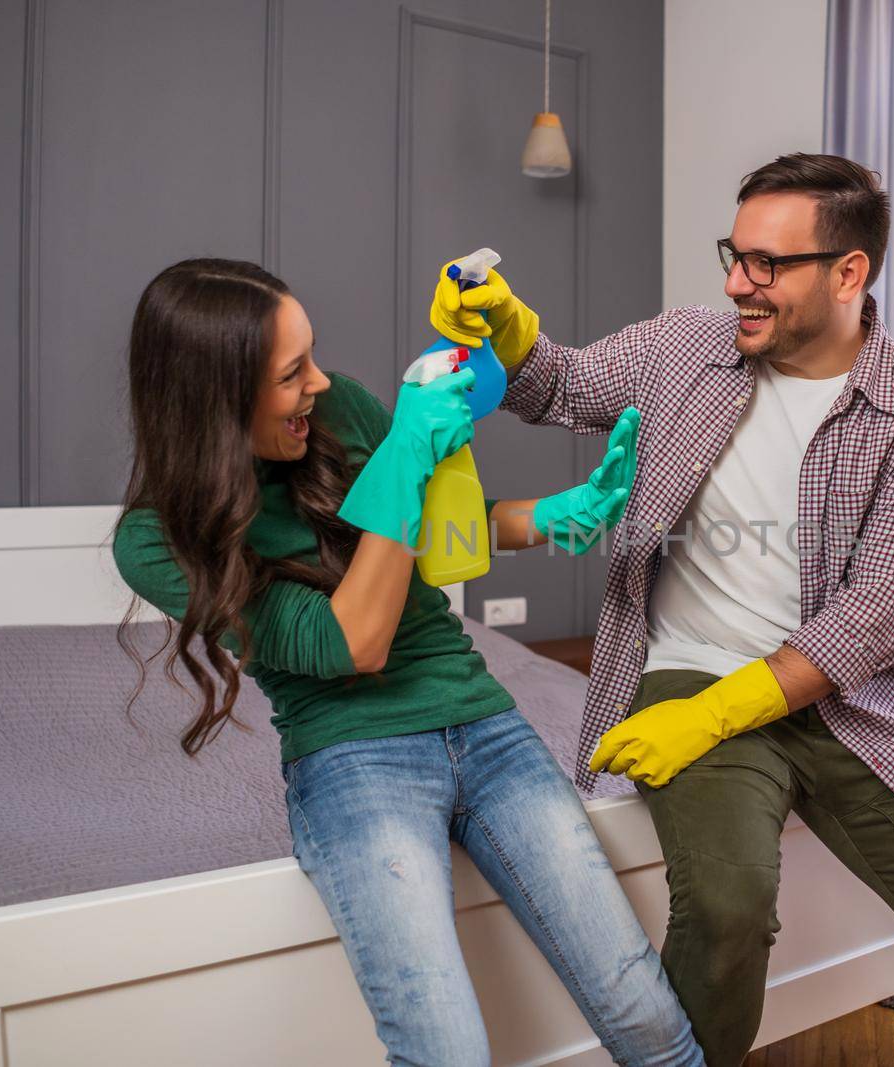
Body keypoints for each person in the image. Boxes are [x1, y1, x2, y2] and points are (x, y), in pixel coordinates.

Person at [429, 154, 894, 1066]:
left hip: (844, 694)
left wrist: (720, 714)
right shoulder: (689, 346)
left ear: (850, 272)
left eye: (767, 264)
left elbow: (871, 621)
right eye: (734, 253)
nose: (737, 282)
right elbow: (563, 386)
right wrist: (509, 329)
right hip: (687, 664)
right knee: (728, 913)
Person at [112, 258, 701, 1067]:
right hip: (353, 757)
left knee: (645, 1014)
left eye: (311, 355)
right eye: (292, 374)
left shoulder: (340, 409)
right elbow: (353, 640)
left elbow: (434, 537)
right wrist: (405, 455)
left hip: (484, 722)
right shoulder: (154, 542)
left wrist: (556, 516)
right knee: (446, 1052)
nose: (321, 383)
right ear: (216, 398)